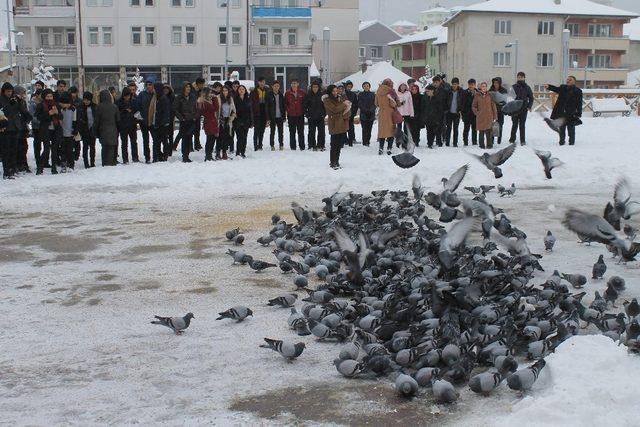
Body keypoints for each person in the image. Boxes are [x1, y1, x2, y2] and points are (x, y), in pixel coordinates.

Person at [0, 82, 29, 179]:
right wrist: (9, 104)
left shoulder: (15, 99)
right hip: (5, 128)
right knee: (6, 151)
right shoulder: (1, 100)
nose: (9, 93)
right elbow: (2, 112)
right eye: (7, 91)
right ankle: (6, 171)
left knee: (14, 150)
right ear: (3, 91)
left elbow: (22, 110)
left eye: (11, 91)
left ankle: (13, 169)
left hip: (16, 127)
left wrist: (20, 102)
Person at [546, 76, 583, 146]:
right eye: (567, 79)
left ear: (574, 81)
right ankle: (561, 142)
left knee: (571, 129)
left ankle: (571, 142)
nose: (568, 81)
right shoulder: (563, 88)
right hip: (561, 112)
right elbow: (556, 89)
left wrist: (578, 113)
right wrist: (549, 86)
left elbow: (579, 103)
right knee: (562, 128)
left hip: (571, 113)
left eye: (570, 80)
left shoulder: (578, 91)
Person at [322, 84, 350, 169]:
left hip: (341, 123)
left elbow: (344, 110)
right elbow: (334, 109)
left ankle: (337, 161)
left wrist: (345, 107)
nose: (335, 92)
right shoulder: (327, 100)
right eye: (333, 91)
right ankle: (332, 162)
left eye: (336, 90)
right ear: (330, 92)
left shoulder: (340, 97)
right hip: (334, 123)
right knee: (334, 144)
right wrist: (344, 105)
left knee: (339, 145)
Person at [35, 89, 61, 174]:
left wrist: (57, 113)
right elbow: (38, 117)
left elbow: (61, 117)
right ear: (44, 97)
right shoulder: (41, 105)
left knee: (54, 149)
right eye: (47, 96)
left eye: (51, 96)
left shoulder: (56, 104)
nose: (49, 98)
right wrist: (48, 114)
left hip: (55, 129)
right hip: (45, 129)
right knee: (46, 149)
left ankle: (54, 168)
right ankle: (40, 167)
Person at [93, 89, 120, 166]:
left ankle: (105, 163)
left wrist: (95, 131)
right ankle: (112, 162)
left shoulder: (99, 107)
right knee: (112, 147)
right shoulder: (114, 107)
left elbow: (96, 121)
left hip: (103, 131)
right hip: (113, 130)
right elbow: (118, 120)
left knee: (104, 148)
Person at [172, 82, 198, 163]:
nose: (188, 89)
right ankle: (185, 156)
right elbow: (175, 109)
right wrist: (181, 118)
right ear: (184, 88)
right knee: (184, 138)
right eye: (187, 87)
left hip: (191, 120)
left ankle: (187, 154)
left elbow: (196, 108)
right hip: (184, 121)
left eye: (189, 87)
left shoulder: (193, 97)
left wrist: (195, 117)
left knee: (189, 137)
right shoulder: (179, 97)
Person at [509, 71, 533, 145]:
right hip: (515, 109)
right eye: (519, 77)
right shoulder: (513, 87)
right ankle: (512, 139)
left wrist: (529, 106)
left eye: (521, 77)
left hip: (523, 109)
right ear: (517, 78)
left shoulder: (527, 87)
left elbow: (531, 98)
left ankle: (522, 140)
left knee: (522, 125)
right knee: (514, 124)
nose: (520, 79)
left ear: (524, 78)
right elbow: (510, 98)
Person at [472, 82, 497, 149]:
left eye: (485, 86)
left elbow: (493, 106)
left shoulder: (490, 95)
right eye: (482, 86)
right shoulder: (477, 95)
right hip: (481, 117)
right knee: (481, 132)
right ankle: (481, 145)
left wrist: (495, 115)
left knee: (489, 132)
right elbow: (474, 106)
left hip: (489, 116)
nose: (484, 88)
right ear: (480, 88)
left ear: (486, 87)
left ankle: (489, 145)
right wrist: (477, 113)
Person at [150, 82, 171, 162]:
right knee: (156, 142)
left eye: (154, 88)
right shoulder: (156, 97)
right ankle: (157, 156)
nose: (153, 90)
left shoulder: (163, 98)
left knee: (163, 141)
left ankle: (164, 156)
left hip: (162, 124)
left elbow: (166, 112)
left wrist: (163, 123)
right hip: (157, 123)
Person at [117, 87, 139, 164]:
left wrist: (134, 118)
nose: (127, 97)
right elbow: (117, 114)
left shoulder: (133, 102)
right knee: (124, 143)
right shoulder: (119, 103)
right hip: (123, 126)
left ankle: (135, 157)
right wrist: (124, 111)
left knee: (134, 142)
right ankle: (125, 159)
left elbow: (137, 113)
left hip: (132, 125)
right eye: (125, 96)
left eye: (128, 96)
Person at [375, 78, 397, 155]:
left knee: (382, 131)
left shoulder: (378, 91)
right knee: (391, 131)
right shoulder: (391, 91)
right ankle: (389, 148)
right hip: (390, 113)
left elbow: (376, 103)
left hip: (381, 113)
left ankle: (381, 148)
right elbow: (393, 104)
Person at [303, 79, 326, 151]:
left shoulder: (322, 95)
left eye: (316, 87)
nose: (315, 88)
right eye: (313, 87)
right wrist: (307, 115)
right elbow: (304, 106)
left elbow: (325, 106)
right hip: (311, 117)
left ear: (318, 87)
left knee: (321, 132)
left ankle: (321, 145)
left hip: (320, 117)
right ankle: (311, 145)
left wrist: (324, 114)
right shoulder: (308, 95)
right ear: (311, 88)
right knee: (311, 132)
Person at [57, 92, 78, 171]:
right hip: (61, 132)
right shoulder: (60, 109)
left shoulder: (73, 109)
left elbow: (75, 120)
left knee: (70, 149)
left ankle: (71, 163)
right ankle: (63, 162)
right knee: (62, 149)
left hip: (70, 132)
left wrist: (75, 130)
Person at [198, 87, 220, 162]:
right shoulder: (204, 102)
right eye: (210, 93)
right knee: (210, 139)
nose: (211, 94)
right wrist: (215, 99)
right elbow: (216, 108)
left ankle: (209, 155)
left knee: (212, 138)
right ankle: (208, 155)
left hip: (212, 121)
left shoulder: (207, 101)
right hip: (209, 122)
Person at [14, 86, 31, 173]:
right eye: (22, 93)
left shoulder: (23, 102)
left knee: (24, 147)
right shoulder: (14, 101)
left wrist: (27, 121)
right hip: (16, 128)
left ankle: (23, 164)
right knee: (17, 147)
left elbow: (25, 113)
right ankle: (17, 164)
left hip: (23, 127)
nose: (23, 95)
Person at [77, 91, 97, 168]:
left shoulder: (94, 106)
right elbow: (78, 118)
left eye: (87, 100)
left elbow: (96, 117)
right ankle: (86, 162)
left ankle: (92, 162)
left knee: (92, 146)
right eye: (84, 100)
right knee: (85, 146)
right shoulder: (80, 107)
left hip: (92, 129)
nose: (86, 101)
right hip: (84, 129)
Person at [285, 78, 306, 150]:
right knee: (292, 132)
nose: (294, 85)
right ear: (291, 85)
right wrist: (288, 110)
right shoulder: (287, 93)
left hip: (300, 115)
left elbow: (305, 103)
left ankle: (302, 146)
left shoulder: (302, 92)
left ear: (298, 84)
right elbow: (285, 104)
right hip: (291, 115)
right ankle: (293, 147)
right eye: (292, 83)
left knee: (300, 132)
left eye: (295, 83)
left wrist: (303, 110)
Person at [421, 84, 445, 149]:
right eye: (426, 91)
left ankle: (439, 143)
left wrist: (439, 119)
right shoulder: (425, 98)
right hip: (428, 118)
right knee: (429, 132)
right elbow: (423, 108)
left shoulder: (438, 98)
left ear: (432, 91)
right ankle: (429, 143)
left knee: (438, 132)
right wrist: (424, 117)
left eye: (428, 91)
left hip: (436, 119)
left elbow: (440, 110)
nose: (427, 92)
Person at [137, 80, 155, 163]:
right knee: (145, 140)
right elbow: (138, 107)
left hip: (153, 121)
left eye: (150, 84)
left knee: (156, 139)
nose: (148, 86)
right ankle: (147, 157)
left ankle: (156, 155)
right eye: (147, 85)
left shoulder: (155, 95)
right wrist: (141, 119)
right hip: (144, 121)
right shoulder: (141, 95)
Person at [217, 86, 236, 160]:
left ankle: (224, 153)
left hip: (228, 119)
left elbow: (234, 109)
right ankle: (218, 152)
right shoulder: (218, 98)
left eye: (226, 90)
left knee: (226, 137)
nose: (225, 92)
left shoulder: (230, 99)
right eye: (223, 90)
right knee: (219, 137)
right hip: (220, 119)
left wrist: (233, 115)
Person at [250, 77, 268, 151]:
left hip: (264, 112)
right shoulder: (254, 91)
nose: (262, 83)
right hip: (257, 112)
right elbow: (251, 103)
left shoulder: (267, 91)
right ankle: (255, 145)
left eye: (263, 82)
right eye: (260, 82)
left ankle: (260, 144)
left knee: (262, 130)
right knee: (256, 130)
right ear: (258, 82)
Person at [234, 85, 252, 158]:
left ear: (245, 91)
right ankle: (238, 152)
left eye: (243, 89)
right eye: (240, 89)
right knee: (239, 137)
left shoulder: (248, 99)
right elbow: (233, 110)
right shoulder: (235, 99)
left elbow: (250, 111)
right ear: (238, 91)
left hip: (246, 121)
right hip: (237, 121)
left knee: (244, 137)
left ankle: (243, 152)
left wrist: (251, 121)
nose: (241, 90)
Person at [266, 80, 285, 151]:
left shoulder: (281, 95)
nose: (276, 87)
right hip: (272, 117)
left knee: (281, 132)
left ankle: (281, 144)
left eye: (277, 86)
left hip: (280, 116)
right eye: (275, 86)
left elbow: (283, 106)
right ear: (272, 87)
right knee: (272, 132)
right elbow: (267, 107)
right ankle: (272, 145)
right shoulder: (269, 95)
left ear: (279, 86)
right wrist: (268, 118)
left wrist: (284, 116)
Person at [488, 77, 507, 145]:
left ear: (500, 83)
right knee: (492, 125)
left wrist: (502, 103)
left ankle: (499, 140)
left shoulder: (503, 90)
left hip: (500, 110)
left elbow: (505, 100)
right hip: (492, 111)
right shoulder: (491, 90)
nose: (495, 84)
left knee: (500, 125)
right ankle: (492, 140)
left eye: (497, 83)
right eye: (494, 82)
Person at [28, 90, 43, 172]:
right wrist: (41, 120)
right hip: (36, 127)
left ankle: (44, 161)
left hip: (43, 127)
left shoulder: (43, 103)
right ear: (37, 95)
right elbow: (32, 116)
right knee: (37, 145)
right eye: (41, 95)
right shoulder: (33, 104)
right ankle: (38, 162)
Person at [357, 81, 375, 147]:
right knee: (364, 129)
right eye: (364, 86)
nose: (366, 87)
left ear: (369, 87)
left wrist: (371, 110)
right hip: (363, 114)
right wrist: (365, 110)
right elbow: (359, 103)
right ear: (363, 87)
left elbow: (375, 104)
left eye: (367, 86)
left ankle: (368, 141)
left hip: (371, 114)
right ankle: (364, 142)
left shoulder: (373, 94)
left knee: (369, 129)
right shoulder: (360, 94)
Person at [445, 77, 462, 147]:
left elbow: (463, 102)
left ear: (458, 84)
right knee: (448, 128)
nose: (454, 85)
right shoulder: (448, 91)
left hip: (457, 113)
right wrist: (446, 110)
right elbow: (445, 101)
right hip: (449, 113)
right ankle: (447, 142)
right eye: (453, 84)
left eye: (456, 84)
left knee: (456, 129)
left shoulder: (461, 92)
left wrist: (461, 110)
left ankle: (455, 143)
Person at [461, 79, 478, 146]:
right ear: (468, 85)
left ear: (475, 85)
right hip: (467, 114)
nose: (471, 86)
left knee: (474, 129)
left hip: (475, 115)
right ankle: (465, 142)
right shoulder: (464, 93)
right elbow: (462, 104)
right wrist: (463, 114)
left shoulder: (478, 93)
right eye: (470, 84)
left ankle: (474, 142)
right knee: (466, 129)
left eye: (472, 84)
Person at [192, 76, 206, 151]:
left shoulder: (201, 90)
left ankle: (197, 144)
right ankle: (190, 146)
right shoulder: (192, 90)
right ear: (198, 84)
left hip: (198, 112)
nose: (203, 86)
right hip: (192, 113)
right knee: (190, 131)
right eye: (202, 84)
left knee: (197, 130)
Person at [344, 81, 358, 146]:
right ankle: (345, 139)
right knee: (344, 127)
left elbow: (356, 104)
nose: (349, 88)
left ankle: (352, 139)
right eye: (348, 86)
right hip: (344, 113)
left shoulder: (353, 94)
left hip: (351, 113)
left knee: (351, 127)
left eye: (350, 87)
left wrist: (354, 113)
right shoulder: (343, 94)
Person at [163, 84, 175, 156]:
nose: (165, 90)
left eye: (167, 88)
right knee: (164, 136)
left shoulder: (172, 97)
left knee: (170, 136)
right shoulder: (161, 97)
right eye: (164, 88)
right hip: (163, 119)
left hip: (170, 118)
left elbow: (174, 108)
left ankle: (169, 151)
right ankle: (166, 150)